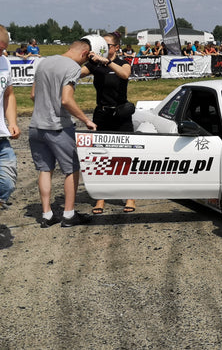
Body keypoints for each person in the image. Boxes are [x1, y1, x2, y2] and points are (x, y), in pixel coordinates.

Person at [28, 37, 98, 228]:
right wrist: (86, 120)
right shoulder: (73, 67)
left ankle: (47, 214)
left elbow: (33, 95)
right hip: (59, 127)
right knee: (71, 169)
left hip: (36, 126)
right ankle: (68, 215)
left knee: (44, 169)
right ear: (84, 53)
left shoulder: (43, 62)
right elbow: (66, 100)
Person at [80, 32, 136, 214]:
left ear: (116, 47)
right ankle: (101, 198)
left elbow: (125, 75)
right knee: (100, 157)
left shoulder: (122, 62)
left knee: (126, 157)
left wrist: (106, 61)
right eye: (102, 44)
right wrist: (79, 58)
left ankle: (130, 197)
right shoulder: (95, 64)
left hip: (121, 115)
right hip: (102, 114)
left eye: (108, 45)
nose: (104, 47)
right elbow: (79, 73)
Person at [0, 26, 20, 210]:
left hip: (1, 138)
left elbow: (9, 95)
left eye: (3, 49)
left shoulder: (4, 62)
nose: (1, 52)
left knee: (7, 183)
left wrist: (12, 122)